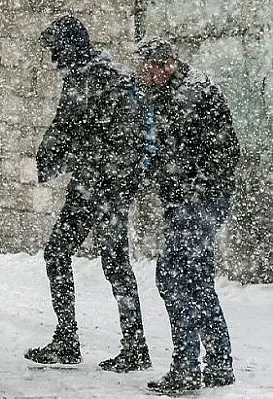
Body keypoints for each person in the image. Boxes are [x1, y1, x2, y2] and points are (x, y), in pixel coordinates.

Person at [24, 15, 151, 373]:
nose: (51, 57)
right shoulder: (84, 78)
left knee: (114, 261)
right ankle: (69, 339)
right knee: (59, 252)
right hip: (90, 185)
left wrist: (52, 163)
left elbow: (77, 133)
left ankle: (135, 345)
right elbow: (66, 130)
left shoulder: (99, 81)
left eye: (55, 49)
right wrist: (47, 163)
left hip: (106, 188)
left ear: (70, 46)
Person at [136, 38, 239, 394]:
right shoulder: (167, 94)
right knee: (195, 279)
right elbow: (163, 150)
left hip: (199, 203)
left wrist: (196, 189)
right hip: (188, 202)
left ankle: (187, 369)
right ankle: (220, 364)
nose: (144, 74)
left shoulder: (195, 95)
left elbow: (226, 151)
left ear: (166, 64)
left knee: (172, 276)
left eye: (148, 67)